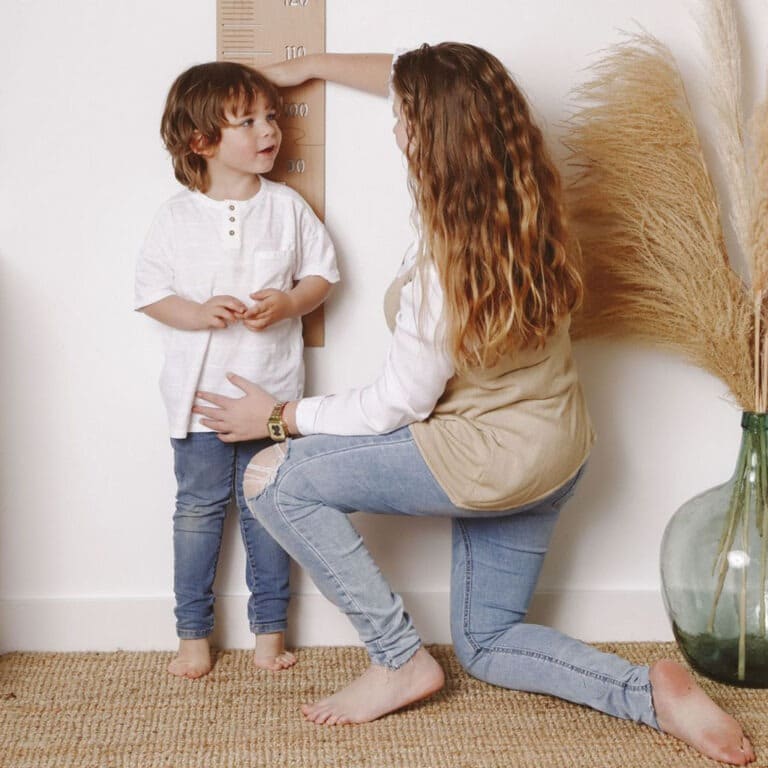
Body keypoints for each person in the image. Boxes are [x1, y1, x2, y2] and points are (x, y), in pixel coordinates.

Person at [193, 46, 755, 764]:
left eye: (403, 119)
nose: (394, 127)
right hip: (555, 456)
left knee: (272, 478)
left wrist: (277, 418)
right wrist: (316, 63)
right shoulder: (533, 202)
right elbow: (416, 71)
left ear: (431, 137)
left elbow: (391, 407)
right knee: (488, 643)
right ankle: (650, 695)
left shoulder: (443, 268)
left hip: (481, 463)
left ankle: (398, 658)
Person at [134, 61, 339, 679]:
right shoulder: (176, 215)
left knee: (267, 511)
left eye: (271, 116)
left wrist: (290, 302)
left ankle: (269, 632)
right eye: (247, 121)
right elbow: (149, 292)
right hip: (196, 404)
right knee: (197, 512)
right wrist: (196, 312)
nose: (268, 130)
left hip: (271, 401)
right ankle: (192, 634)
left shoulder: (288, 207)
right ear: (201, 142)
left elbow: (323, 275)